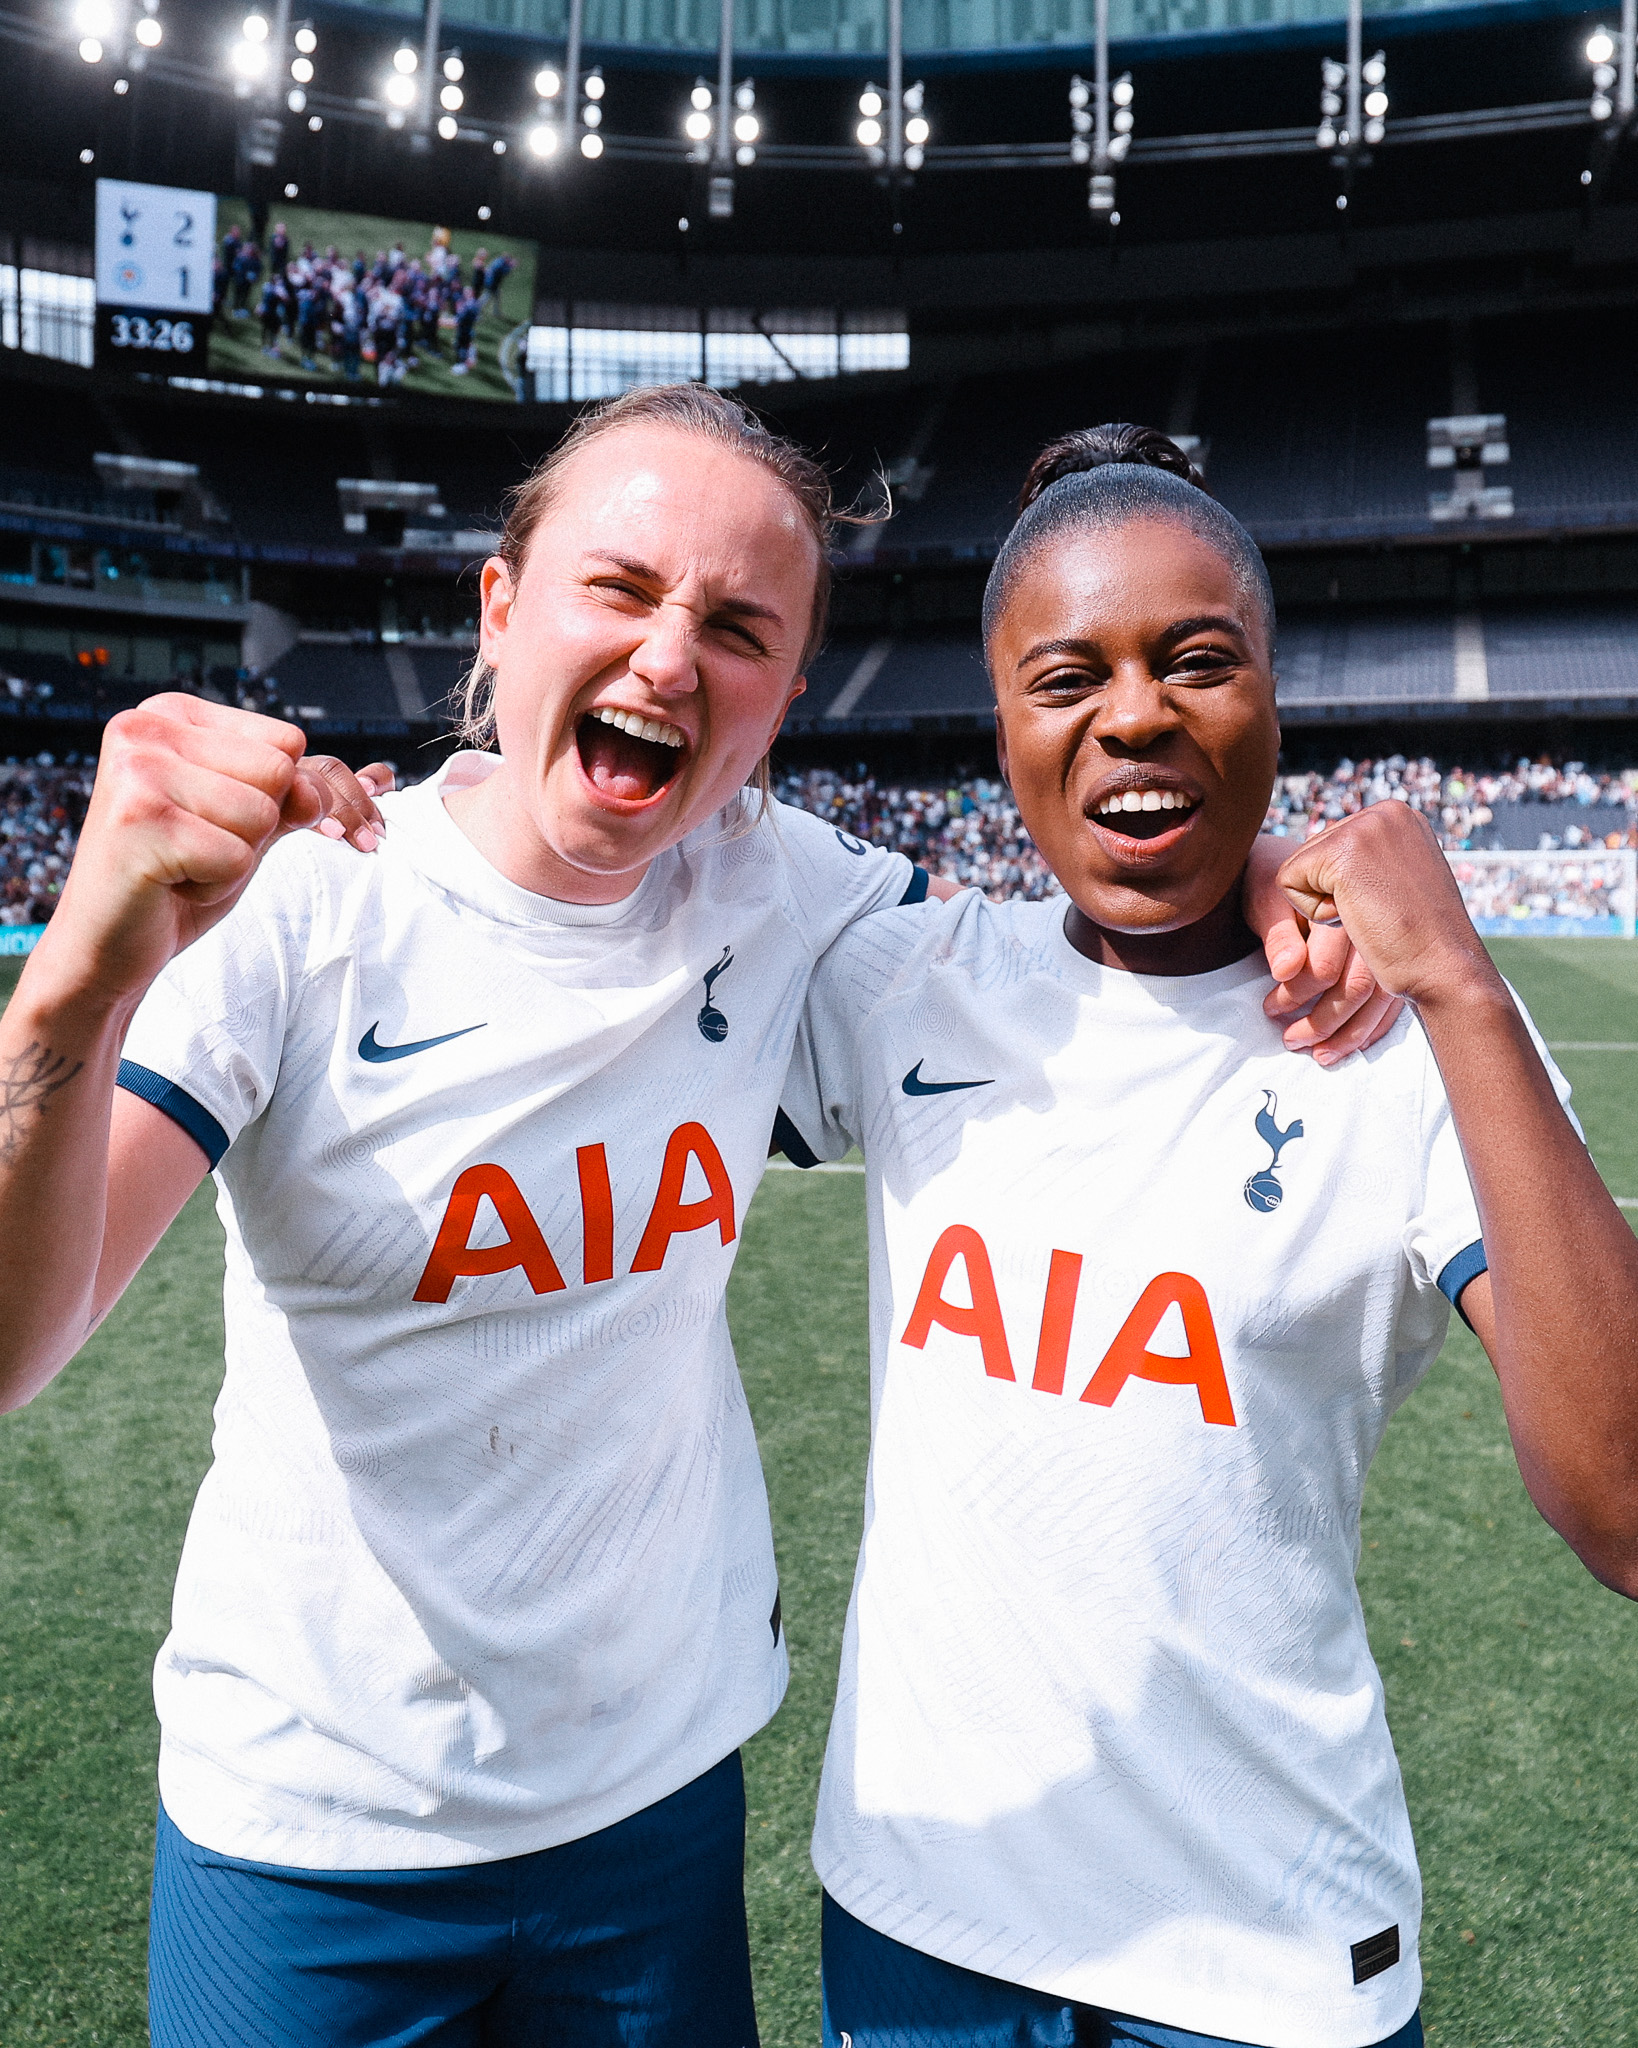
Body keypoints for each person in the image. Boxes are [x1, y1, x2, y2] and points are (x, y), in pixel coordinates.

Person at [0, 392, 1386, 2048]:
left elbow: (1063, 953)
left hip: (652, 1814)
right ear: (502, 609)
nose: (670, 658)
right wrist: (72, 979)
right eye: (621, 588)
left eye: (736, 628)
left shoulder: (785, 890)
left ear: (781, 700)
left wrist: (1266, 864)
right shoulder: (307, 905)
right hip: (314, 1829)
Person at [775, 424, 1638, 2048]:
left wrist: (1456, 983)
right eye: (1064, 677)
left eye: (1194, 662)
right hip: (914, 1919)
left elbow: (1629, 1510)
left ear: (1270, 695)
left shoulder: (1396, 1038)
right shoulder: (903, 978)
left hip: (1259, 1965)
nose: (1131, 716)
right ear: (999, 726)